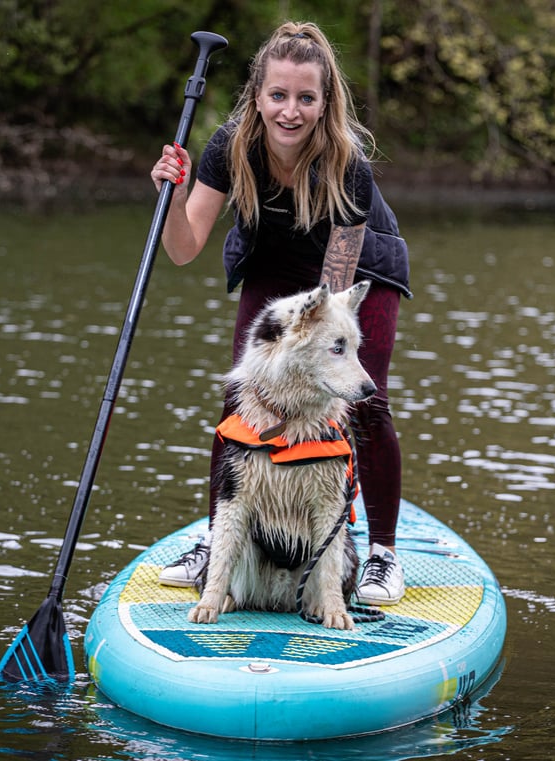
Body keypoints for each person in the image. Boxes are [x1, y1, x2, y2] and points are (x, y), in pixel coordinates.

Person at [150, 21, 411, 606]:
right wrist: (169, 195)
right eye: (278, 95)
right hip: (272, 265)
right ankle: (219, 539)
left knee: (357, 400)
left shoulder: (348, 165)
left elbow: (335, 303)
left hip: (354, 278)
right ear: (258, 96)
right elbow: (184, 247)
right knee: (242, 400)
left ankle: (382, 554)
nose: (290, 111)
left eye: (305, 98)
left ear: (324, 103)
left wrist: (317, 373)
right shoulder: (229, 146)